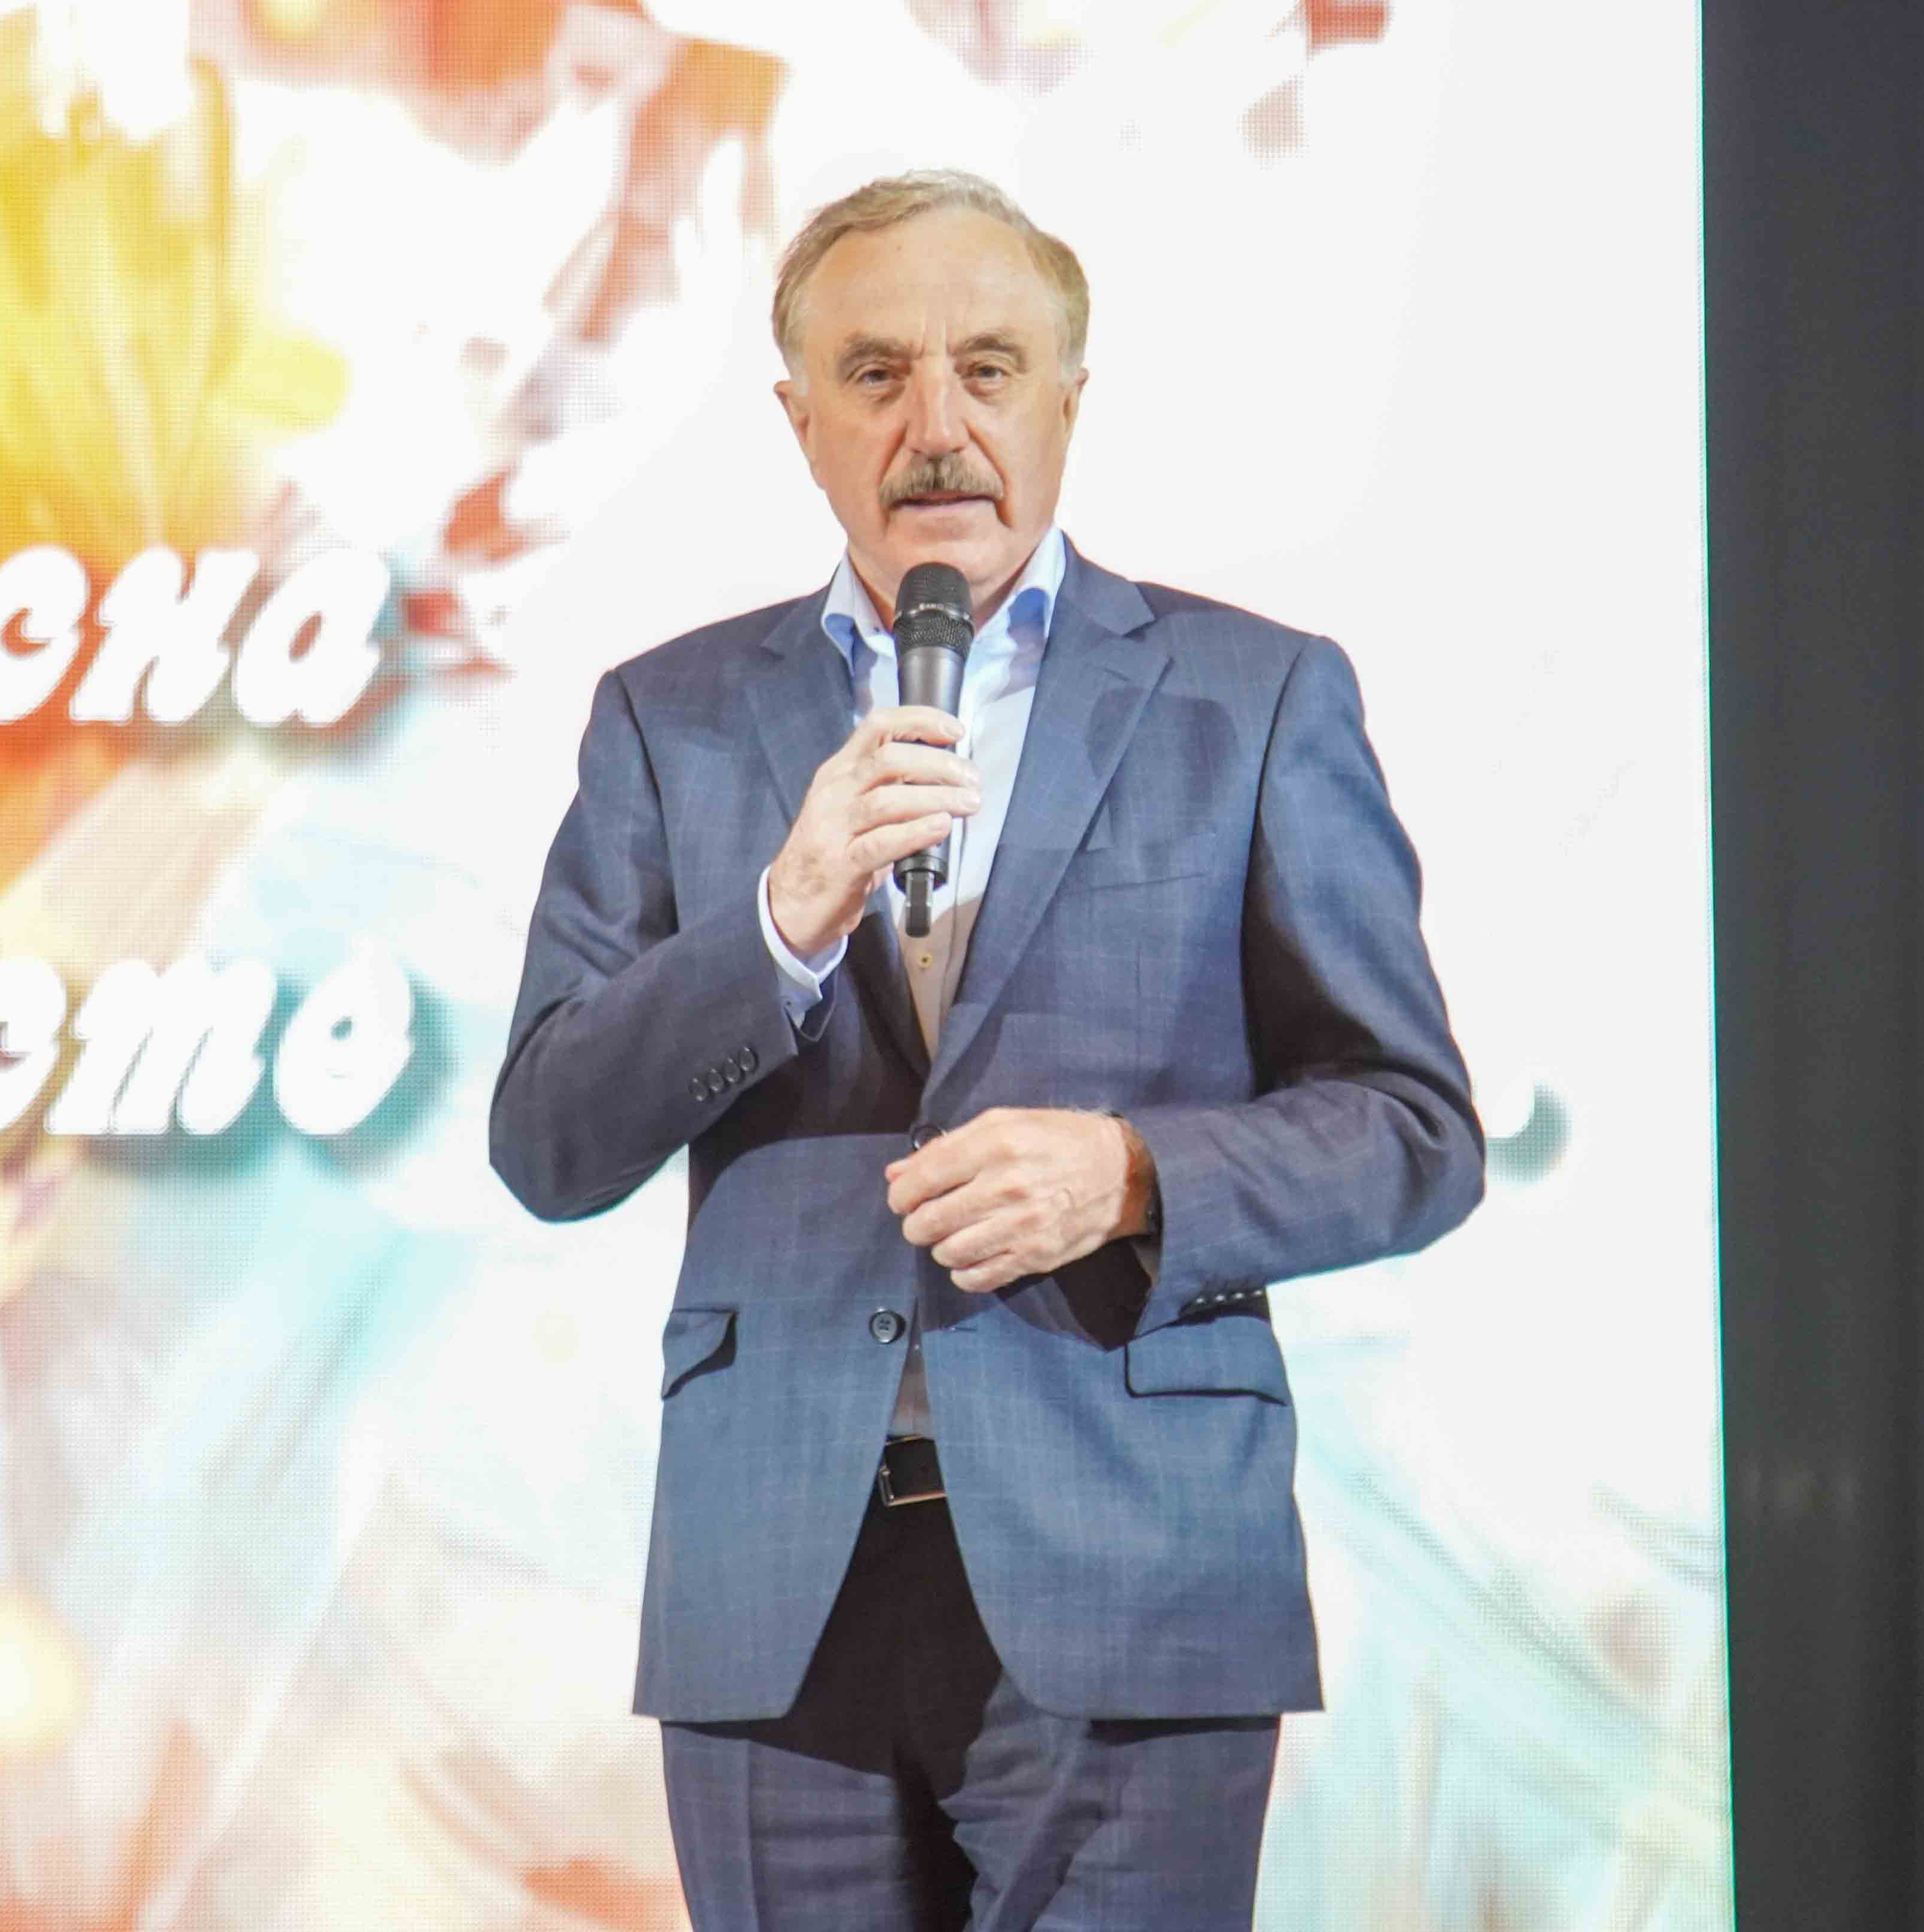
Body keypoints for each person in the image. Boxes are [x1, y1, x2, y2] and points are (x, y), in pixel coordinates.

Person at [489, 168, 1482, 1930]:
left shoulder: (1252, 695)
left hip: (1134, 1567)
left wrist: (1134, 1173)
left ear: (1067, 402)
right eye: (876, 374)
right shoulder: (668, 717)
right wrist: (780, 920)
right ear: (799, 421)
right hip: (774, 1586)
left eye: (989, 368)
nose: (936, 426)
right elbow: (551, 1142)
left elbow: (1414, 1129)